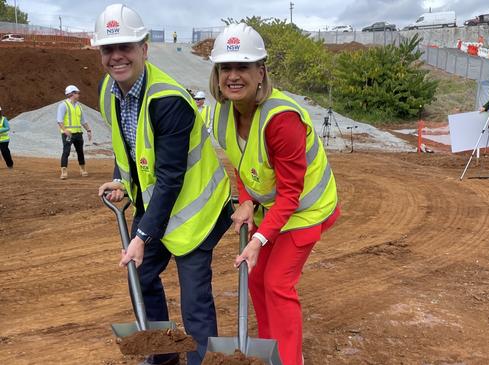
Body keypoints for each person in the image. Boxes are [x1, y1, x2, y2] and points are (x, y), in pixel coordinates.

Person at [92, 4, 232, 365]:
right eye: (109, 48)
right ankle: (164, 355)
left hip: (197, 213)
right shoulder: (109, 90)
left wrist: (141, 237)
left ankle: (203, 360)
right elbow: (128, 145)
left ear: (144, 48)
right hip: (157, 207)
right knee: (140, 276)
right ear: (101, 54)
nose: (117, 56)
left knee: (194, 300)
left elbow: (171, 178)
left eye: (126, 46)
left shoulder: (168, 101)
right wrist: (122, 179)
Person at [208, 23, 340, 365]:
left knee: (277, 283)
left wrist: (258, 240)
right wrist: (248, 199)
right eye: (226, 68)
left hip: (306, 210)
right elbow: (241, 160)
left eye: (243, 67)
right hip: (273, 209)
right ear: (217, 73)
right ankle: (271, 354)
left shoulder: (281, 120)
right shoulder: (222, 114)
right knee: (256, 279)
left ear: (261, 72)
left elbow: (292, 194)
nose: (233, 76)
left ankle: (289, 360)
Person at [57, 85, 92, 179]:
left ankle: (83, 169)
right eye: (77, 93)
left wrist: (88, 130)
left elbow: (83, 121)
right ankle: (64, 172)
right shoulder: (63, 105)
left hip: (78, 133)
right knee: (66, 151)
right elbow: (59, 120)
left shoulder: (79, 107)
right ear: (72, 94)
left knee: (80, 151)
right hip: (68, 134)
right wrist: (64, 130)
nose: (78, 94)